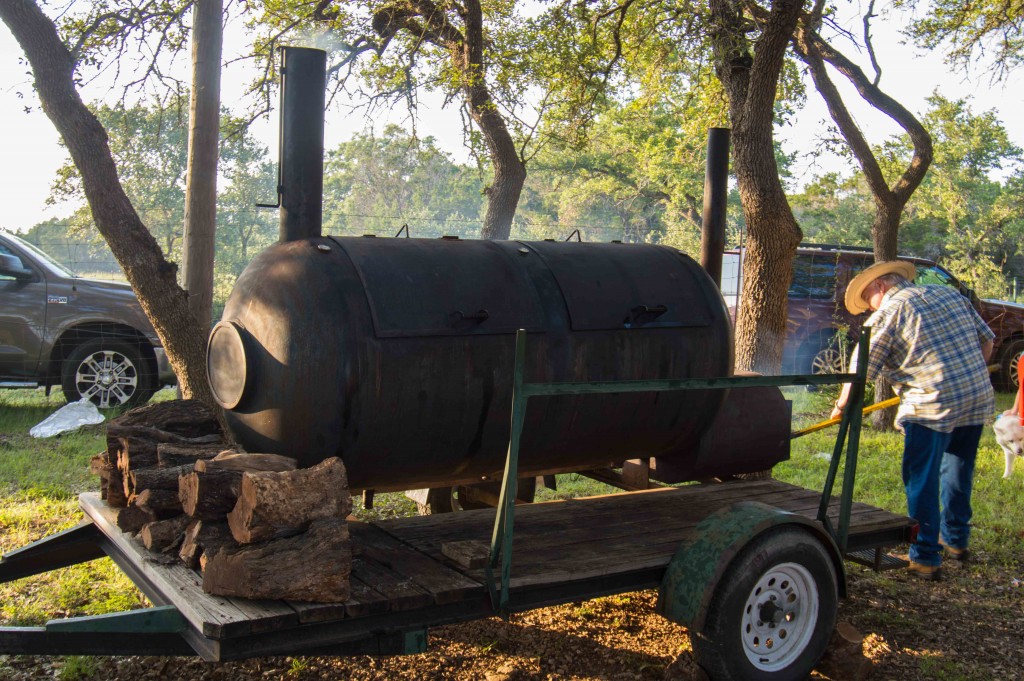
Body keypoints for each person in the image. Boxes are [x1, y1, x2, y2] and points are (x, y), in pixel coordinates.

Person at [829, 260, 994, 581]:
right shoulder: (948, 294)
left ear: (880, 286)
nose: (867, 309)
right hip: (975, 396)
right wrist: (968, 373)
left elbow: (861, 370)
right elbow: (987, 340)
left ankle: (926, 557)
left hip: (930, 406)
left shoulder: (886, 316)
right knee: (958, 468)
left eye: (868, 300)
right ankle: (956, 541)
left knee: (922, 477)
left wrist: (841, 406)